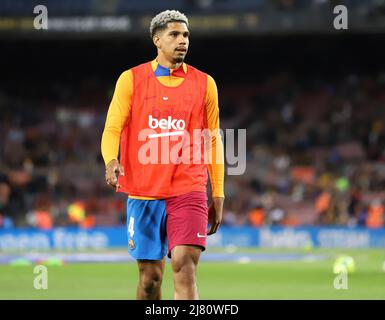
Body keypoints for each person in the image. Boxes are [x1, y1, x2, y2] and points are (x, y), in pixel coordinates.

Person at [101, 10, 225, 300]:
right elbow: (112, 128)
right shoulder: (131, 80)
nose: (182, 41)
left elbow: (213, 140)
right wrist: (111, 160)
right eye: (174, 35)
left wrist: (217, 192)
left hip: (189, 188)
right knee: (150, 280)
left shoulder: (205, 83)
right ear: (157, 40)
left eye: (185, 35)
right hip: (145, 192)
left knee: (184, 267)